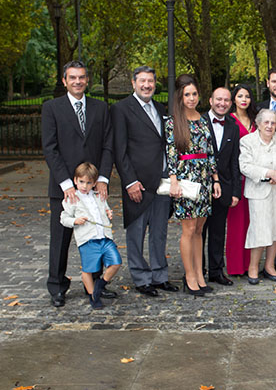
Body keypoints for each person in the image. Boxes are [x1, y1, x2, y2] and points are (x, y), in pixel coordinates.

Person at [41, 60, 114, 307]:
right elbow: (50, 148)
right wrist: (66, 184)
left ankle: (93, 285)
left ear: (87, 80)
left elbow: (108, 145)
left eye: (81, 77)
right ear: (64, 81)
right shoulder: (52, 108)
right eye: (72, 77)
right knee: (60, 240)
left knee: (95, 237)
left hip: (93, 189)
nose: (77, 81)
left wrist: (102, 179)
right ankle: (57, 286)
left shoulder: (100, 108)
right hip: (64, 190)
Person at [112, 65, 177, 297]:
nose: (147, 85)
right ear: (133, 83)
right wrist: (130, 181)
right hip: (138, 184)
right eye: (142, 81)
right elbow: (119, 150)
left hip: (161, 181)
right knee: (136, 233)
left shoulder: (160, 108)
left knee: (159, 232)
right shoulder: (121, 109)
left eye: (150, 81)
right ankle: (141, 278)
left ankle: (160, 275)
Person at [165, 74, 221, 296]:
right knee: (188, 229)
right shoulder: (173, 122)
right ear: (180, 96)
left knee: (199, 229)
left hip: (205, 178)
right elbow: (171, 153)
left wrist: (215, 179)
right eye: (187, 94)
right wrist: (173, 181)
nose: (191, 98)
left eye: (194, 94)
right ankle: (189, 277)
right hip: (185, 180)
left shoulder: (204, 119)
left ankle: (199, 274)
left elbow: (210, 151)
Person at [240, 109, 276, 284]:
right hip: (259, 191)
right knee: (260, 229)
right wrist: (269, 173)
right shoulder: (247, 141)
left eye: (273, 123)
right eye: (266, 122)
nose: (270, 126)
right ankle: (253, 267)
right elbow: (245, 166)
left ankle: (270, 266)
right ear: (258, 123)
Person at [60, 163, 122, 309]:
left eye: (88, 183)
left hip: (104, 237)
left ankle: (101, 283)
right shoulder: (72, 199)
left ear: (94, 183)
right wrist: (75, 221)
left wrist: (109, 213)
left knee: (116, 262)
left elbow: (105, 208)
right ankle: (92, 295)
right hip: (88, 240)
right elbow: (64, 218)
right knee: (88, 269)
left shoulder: (98, 196)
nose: (84, 186)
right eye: (81, 182)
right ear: (75, 180)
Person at [201, 87, 242, 286]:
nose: (222, 103)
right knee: (198, 232)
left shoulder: (233, 127)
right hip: (201, 186)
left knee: (218, 232)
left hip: (224, 187)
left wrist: (235, 191)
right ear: (211, 100)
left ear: (230, 103)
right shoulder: (199, 122)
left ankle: (216, 271)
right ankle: (197, 270)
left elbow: (234, 161)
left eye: (226, 100)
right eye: (218, 99)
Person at [225, 85, 257, 276]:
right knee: (236, 223)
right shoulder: (229, 120)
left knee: (252, 222)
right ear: (234, 99)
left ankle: (249, 264)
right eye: (240, 96)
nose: (244, 99)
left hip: (254, 177)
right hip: (236, 177)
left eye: (247, 96)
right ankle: (235, 266)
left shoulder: (255, 120)